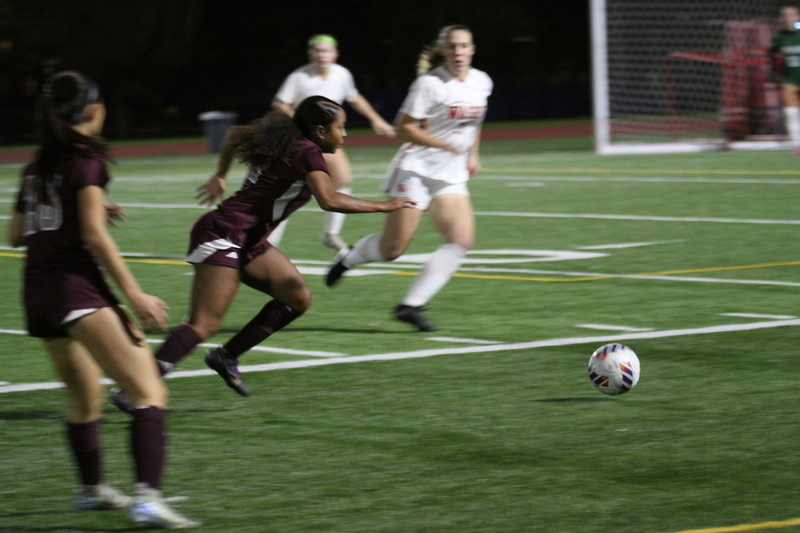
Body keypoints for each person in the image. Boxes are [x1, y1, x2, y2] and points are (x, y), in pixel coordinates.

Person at [117, 96, 414, 400]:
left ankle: (226, 356)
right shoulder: (308, 151)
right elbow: (330, 199)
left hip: (248, 238)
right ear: (320, 131)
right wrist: (384, 206)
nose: (346, 135)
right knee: (203, 324)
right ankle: (134, 389)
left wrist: (220, 174)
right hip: (225, 234)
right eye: (341, 128)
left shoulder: (290, 138)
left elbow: (233, 135)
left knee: (296, 296)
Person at [7, 71, 199, 528]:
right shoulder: (87, 159)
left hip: (38, 295)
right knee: (149, 391)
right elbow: (92, 233)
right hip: (77, 289)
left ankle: (91, 490)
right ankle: (147, 498)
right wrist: (134, 294)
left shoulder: (34, 165)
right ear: (93, 110)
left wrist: (82, 210)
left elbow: (15, 234)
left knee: (84, 398)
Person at [325, 25, 492, 333]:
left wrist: (472, 155)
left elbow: (474, 122)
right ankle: (350, 256)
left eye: (464, 46)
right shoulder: (430, 84)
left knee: (460, 241)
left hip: (450, 175)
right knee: (393, 250)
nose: (458, 52)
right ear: (443, 51)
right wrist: (443, 144)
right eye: (452, 46)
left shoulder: (482, 81)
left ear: (472, 49)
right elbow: (404, 129)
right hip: (416, 170)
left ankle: (410, 305)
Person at [262, 34, 396, 251]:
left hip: (326, 141)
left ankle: (330, 234)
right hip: (303, 141)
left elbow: (354, 97)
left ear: (335, 54)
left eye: (325, 50)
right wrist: (301, 121)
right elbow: (280, 104)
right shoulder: (300, 77)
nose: (321, 55)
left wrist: (376, 119)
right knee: (289, 192)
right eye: (316, 50)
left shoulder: (342, 74)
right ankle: (268, 239)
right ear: (310, 54)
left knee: (342, 179)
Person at [772, 5, 800, 153]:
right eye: (786, 16)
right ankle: (797, 144)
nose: (789, 18)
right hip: (790, 80)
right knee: (791, 113)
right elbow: (772, 53)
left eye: (793, 15)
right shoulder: (780, 36)